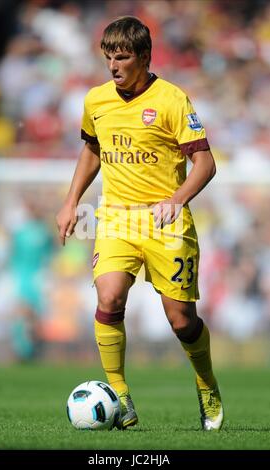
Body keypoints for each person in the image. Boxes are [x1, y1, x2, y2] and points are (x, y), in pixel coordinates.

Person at [56, 16, 223, 431]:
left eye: (123, 57)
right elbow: (93, 151)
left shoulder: (172, 100)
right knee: (109, 299)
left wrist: (176, 199)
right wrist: (71, 201)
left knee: (181, 320)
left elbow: (205, 163)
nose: (113, 65)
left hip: (167, 220)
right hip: (114, 219)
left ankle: (207, 387)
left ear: (145, 57)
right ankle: (121, 398)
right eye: (108, 57)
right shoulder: (96, 101)